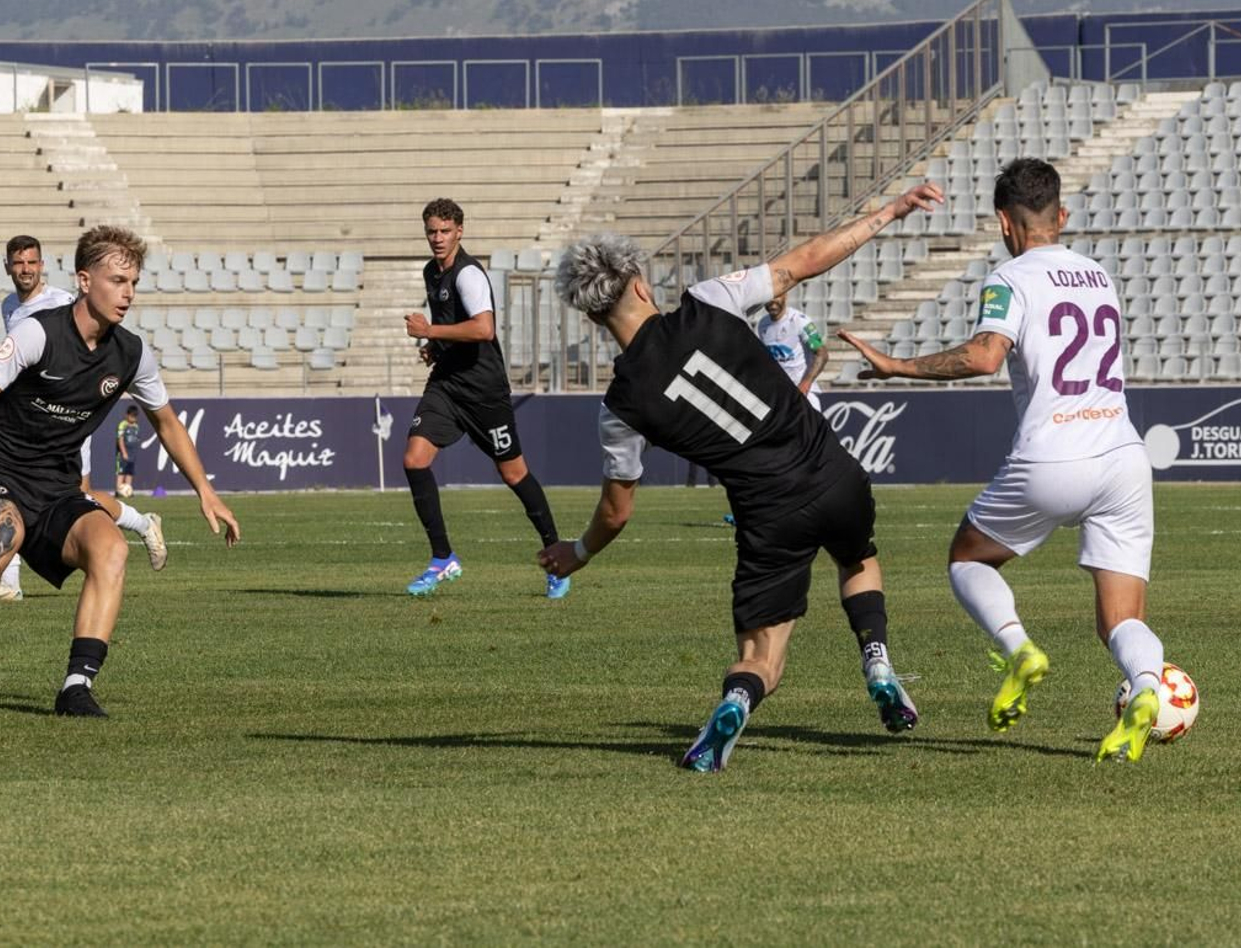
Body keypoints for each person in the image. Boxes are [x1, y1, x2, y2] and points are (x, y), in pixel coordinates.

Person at [538, 183, 943, 772]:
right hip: (833, 473)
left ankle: (735, 702)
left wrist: (577, 553)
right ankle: (876, 659)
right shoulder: (709, 300)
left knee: (762, 656)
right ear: (642, 285)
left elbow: (616, 512)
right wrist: (888, 211)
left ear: (594, 316)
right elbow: (804, 261)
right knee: (857, 560)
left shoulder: (620, 406)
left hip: (767, 513)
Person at [836, 158, 1165, 763]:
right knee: (1121, 618)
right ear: (1060, 216)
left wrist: (896, 366)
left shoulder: (1010, 278)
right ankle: (1147, 687)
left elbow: (986, 356)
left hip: (1054, 454)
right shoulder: (1099, 275)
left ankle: (1020, 650)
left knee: (967, 557)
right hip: (1122, 454)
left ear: (1003, 223)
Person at [0, 226, 240, 720]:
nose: (127, 293)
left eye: (133, 282)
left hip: (57, 485)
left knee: (111, 548)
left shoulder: (132, 354)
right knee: (4, 531)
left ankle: (76, 687)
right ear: (85, 281)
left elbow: (167, 422)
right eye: (117, 280)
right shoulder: (38, 331)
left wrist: (206, 492)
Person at [401, 197, 567, 599]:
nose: (437, 239)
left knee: (513, 474)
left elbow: (483, 330)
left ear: (460, 231)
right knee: (414, 459)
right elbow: (451, 327)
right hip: (447, 384)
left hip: (483, 390)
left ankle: (559, 559)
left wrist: (431, 334)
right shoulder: (431, 272)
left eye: (444, 231)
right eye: (431, 232)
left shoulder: (468, 274)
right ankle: (443, 558)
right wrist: (436, 350)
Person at [0, 235, 168, 603]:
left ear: (42, 266)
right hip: (36, 419)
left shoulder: (59, 302)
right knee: (27, 490)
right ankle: (9, 580)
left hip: (68, 421)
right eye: (18, 263)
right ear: (7, 266)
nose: (25, 269)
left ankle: (139, 522)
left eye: (32, 262)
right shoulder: (10, 306)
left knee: (67, 495)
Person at [724, 294, 829, 525]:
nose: (772, 302)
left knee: (811, 453)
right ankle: (755, 511)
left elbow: (822, 353)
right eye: (768, 299)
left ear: (786, 296)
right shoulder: (763, 325)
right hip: (780, 400)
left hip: (804, 397)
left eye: (776, 298)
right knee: (765, 455)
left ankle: (821, 506)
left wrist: (805, 383)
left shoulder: (800, 322)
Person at [115, 406, 141, 497]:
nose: (134, 418)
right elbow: (120, 439)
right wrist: (124, 452)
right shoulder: (123, 425)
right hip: (123, 454)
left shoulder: (136, 426)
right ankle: (118, 491)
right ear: (127, 415)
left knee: (130, 472)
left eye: (135, 416)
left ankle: (128, 490)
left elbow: (136, 440)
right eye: (132, 416)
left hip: (132, 454)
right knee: (121, 472)